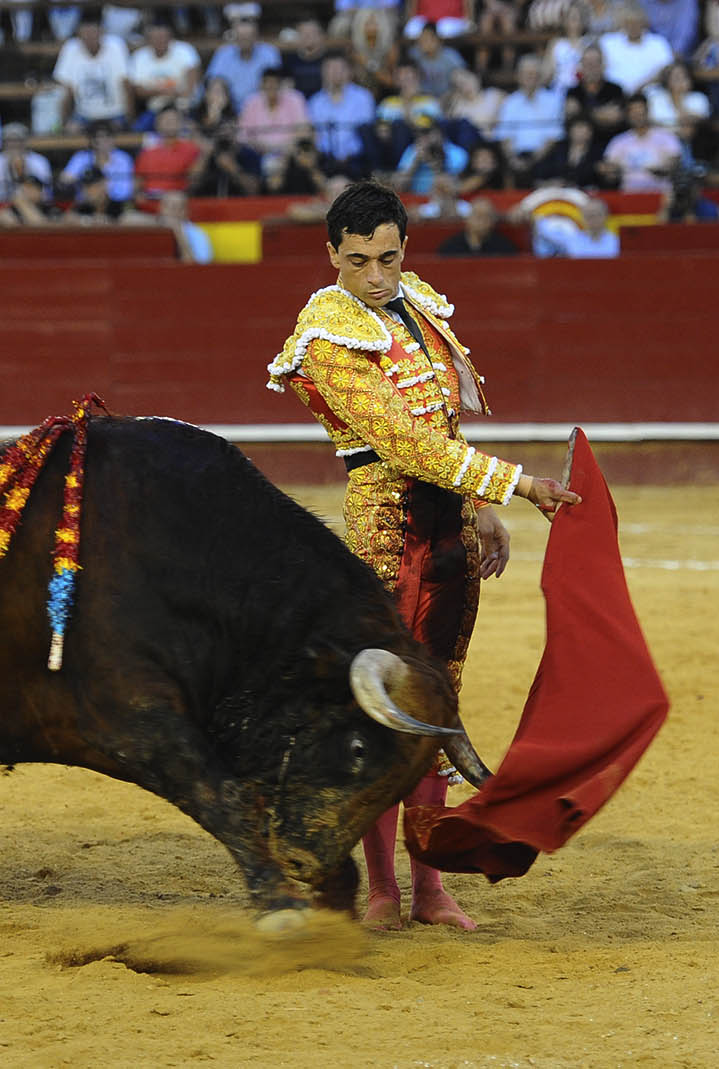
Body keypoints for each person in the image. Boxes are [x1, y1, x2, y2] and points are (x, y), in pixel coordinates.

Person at [265, 180, 579, 932]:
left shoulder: (418, 305)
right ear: (331, 254)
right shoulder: (326, 331)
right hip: (387, 526)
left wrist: (475, 510)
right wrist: (516, 485)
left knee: (439, 702)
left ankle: (431, 888)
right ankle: (382, 889)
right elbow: (405, 443)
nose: (377, 276)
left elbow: (441, 427)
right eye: (360, 260)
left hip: (446, 529)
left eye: (390, 258)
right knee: (383, 706)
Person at [52, 13, 132, 129]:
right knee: (72, 129)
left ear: (101, 32)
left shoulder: (116, 45)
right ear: (79, 34)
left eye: (93, 33)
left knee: (117, 130)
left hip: (115, 114)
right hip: (83, 114)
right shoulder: (70, 48)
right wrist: (65, 122)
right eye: (85, 34)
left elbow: (126, 83)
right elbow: (66, 86)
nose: (89, 37)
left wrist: (130, 118)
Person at [0, 122, 52, 203]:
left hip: (34, 206)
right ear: (3, 143)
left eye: (18, 140)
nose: (14, 144)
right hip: (3, 207)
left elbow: (46, 195)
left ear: (25, 142)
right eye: (9, 140)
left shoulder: (40, 162)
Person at [437, 196, 518, 254]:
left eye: (487, 217)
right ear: (467, 219)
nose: (482, 221)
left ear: (493, 221)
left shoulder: (504, 248)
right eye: (478, 216)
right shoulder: (451, 247)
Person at [157, 189, 212, 263]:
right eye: (169, 207)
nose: (173, 212)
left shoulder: (197, 233)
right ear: (161, 209)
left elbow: (200, 266)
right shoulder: (151, 228)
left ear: (186, 211)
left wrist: (178, 233)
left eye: (178, 208)